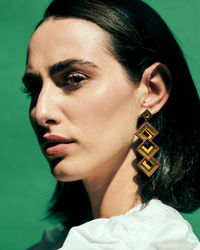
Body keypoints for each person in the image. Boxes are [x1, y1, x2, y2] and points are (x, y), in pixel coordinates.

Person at [22, 0, 200, 249]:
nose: (41, 112)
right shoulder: (61, 242)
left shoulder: (156, 243)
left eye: (74, 79)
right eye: (34, 88)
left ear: (151, 90)